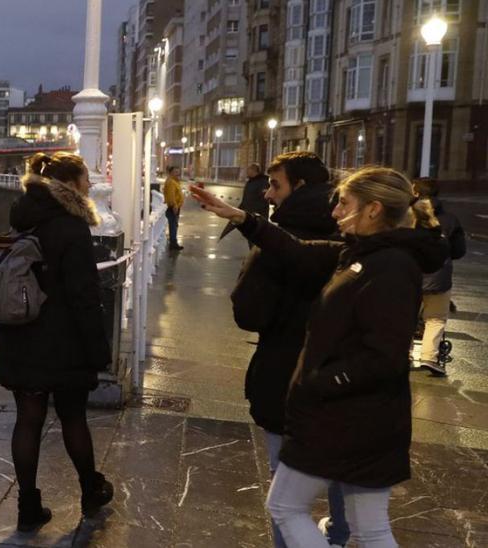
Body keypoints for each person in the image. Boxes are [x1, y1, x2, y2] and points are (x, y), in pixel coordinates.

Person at [190, 167, 448, 548]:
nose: (334, 212)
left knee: (285, 507)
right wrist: (242, 218)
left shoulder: (390, 266)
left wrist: (319, 382)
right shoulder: (364, 253)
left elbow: (384, 356)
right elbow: (296, 250)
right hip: (362, 416)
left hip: (345, 415)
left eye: (344, 203)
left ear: (373, 210)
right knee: (370, 529)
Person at [229, 152, 351, 547]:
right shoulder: (350, 239)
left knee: (285, 490)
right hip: (341, 377)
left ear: (298, 187)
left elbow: (249, 313)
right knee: (338, 470)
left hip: (284, 373)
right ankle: (337, 534)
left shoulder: (279, 244)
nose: (267, 192)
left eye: (275, 184)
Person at [0, 151, 114, 532]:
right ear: (70, 185)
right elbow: (84, 297)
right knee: (73, 418)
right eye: (86, 178)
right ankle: (90, 491)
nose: (91, 185)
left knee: (27, 421)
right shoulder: (72, 227)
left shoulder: (22, 218)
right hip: (64, 345)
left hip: (21, 338)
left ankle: (27, 507)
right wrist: (99, 351)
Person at [412, 178, 466, 377]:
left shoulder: (407, 216)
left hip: (410, 274)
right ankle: (429, 357)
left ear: (415, 193)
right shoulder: (450, 219)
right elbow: (459, 250)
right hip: (439, 277)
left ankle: (404, 354)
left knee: (407, 315)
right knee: (435, 318)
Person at [164, 166, 185, 250]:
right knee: (173, 225)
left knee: (174, 225)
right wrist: (174, 205)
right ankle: (173, 244)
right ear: (171, 173)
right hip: (173, 207)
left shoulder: (174, 181)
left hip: (175, 206)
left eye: (178, 172)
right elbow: (171, 195)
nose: (177, 173)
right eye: (175, 172)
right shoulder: (171, 182)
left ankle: (173, 242)